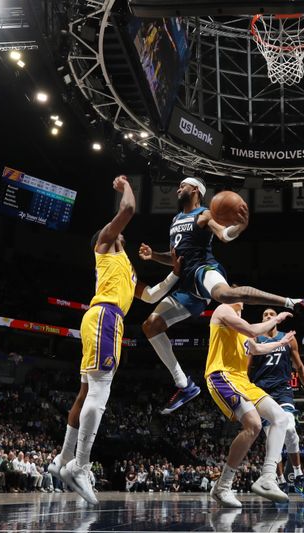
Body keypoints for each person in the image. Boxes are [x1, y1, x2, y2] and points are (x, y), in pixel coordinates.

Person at [48, 175, 182, 505]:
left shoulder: (128, 268)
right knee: (99, 391)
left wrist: (176, 272)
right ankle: (80, 466)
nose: (119, 227)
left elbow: (150, 296)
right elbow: (130, 207)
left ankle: (62, 460)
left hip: (109, 321)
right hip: (105, 316)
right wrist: (124, 186)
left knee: (85, 392)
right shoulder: (105, 246)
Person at [139, 176, 304, 415]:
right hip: (185, 286)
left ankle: (295, 303)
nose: (178, 189)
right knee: (150, 326)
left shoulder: (203, 214)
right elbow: (174, 258)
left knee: (225, 294)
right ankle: (184, 385)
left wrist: (240, 228)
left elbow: (224, 235)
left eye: (182, 185)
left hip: (204, 270)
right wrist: (154, 256)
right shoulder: (175, 219)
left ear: (195, 190)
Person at [205, 301, 295, 508]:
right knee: (254, 425)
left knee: (281, 418)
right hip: (222, 375)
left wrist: (282, 343)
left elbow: (256, 348)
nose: (243, 306)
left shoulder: (242, 326)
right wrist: (276, 319)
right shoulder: (223, 310)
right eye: (241, 301)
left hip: (243, 381)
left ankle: (268, 477)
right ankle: (222, 486)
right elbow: (253, 329)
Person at [247, 307, 304, 498]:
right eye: (265, 315)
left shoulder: (288, 338)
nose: (269, 316)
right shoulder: (255, 338)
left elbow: (300, 366)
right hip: (262, 391)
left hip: (282, 390)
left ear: (277, 319)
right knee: (272, 437)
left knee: (290, 429)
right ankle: (280, 481)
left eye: (271, 314)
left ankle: (299, 477)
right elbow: (246, 370)